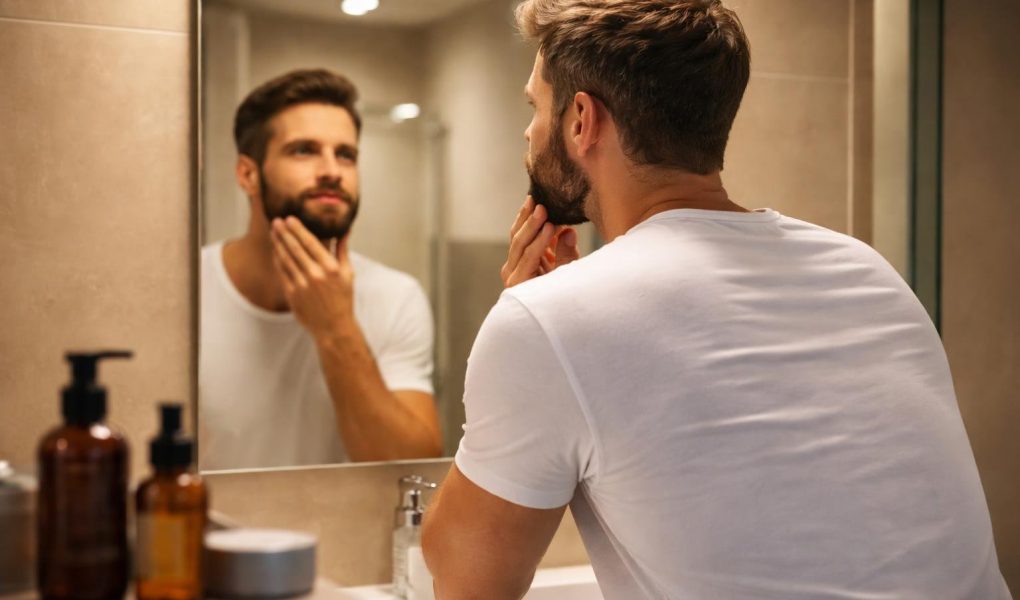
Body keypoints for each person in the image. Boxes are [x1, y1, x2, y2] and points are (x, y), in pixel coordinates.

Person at [422, 1, 1012, 599]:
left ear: (581, 120)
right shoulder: (869, 270)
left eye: (535, 106)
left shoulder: (547, 319)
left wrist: (539, 326)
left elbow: (464, 583)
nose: (529, 131)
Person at [199, 69, 442, 470]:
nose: (332, 170)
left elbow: (411, 468)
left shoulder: (396, 296)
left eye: (346, 154)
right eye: (304, 150)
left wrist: (336, 327)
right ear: (248, 174)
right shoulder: (189, 290)